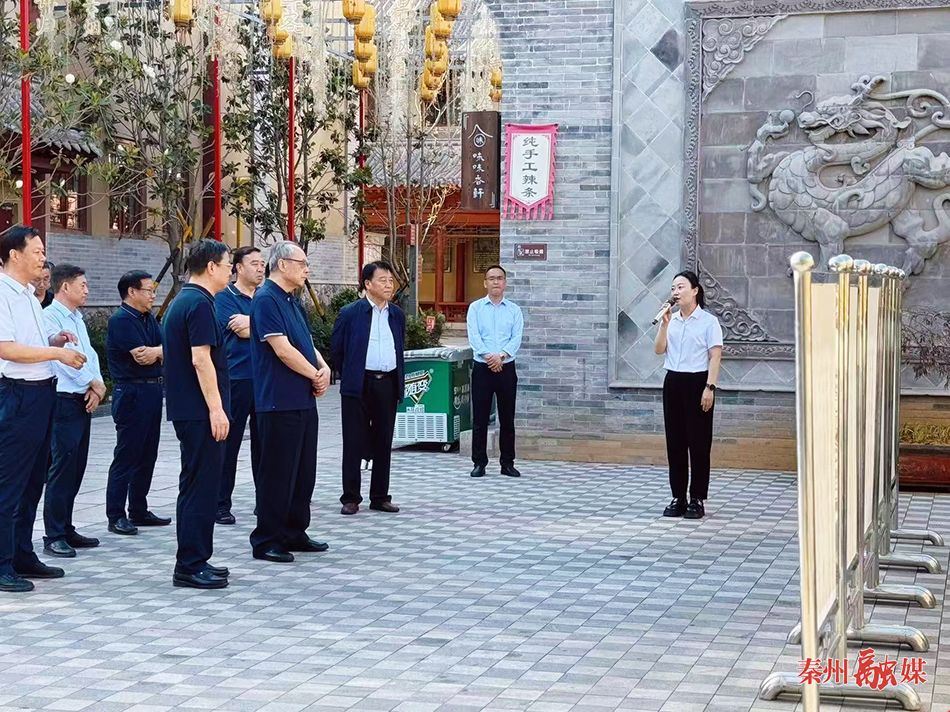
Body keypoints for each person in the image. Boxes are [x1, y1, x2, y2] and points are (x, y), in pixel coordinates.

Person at [0, 225, 86, 593]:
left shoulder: (30, 297)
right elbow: (6, 349)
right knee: (9, 483)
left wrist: (54, 341)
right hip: (17, 395)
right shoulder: (2, 293)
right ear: (14, 254)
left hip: (41, 394)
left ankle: (22, 554)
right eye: (36, 251)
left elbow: (28, 343)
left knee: (33, 481)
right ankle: (2, 563)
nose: (42, 257)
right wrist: (56, 353)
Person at [249, 241, 331, 561]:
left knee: (302, 472)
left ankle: (295, 532)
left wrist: (323, 368)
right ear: (282, 264)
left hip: (303, 399)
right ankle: (267, 539)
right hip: (278, 400)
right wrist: (314, 375)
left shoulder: (292, 300)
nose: (306, 269)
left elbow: (306, 341)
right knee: (277, 473)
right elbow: (282, 350)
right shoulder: (266, 299)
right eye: (302, 263)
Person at [163, 239, 233, 589]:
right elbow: (200, 359)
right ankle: (190, 564)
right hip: (199, 411)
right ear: (211, 267)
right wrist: (216, 409)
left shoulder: (187, 300)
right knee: (200, 486)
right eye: (228, 265)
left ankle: (196, 558)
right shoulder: (199, 303)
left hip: (190, 409)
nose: (230, 272)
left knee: (197, 484)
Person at [42, 264, 107, 558]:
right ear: (65, 287)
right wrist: (91, 382)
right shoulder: (50, 317)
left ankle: (67, 527)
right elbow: (61, 360)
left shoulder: (77, 317)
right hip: (63, 400)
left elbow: (89, 356)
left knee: (77, 466)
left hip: (82, 398)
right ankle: (54, 534)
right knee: (62, 467)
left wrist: (97, 385)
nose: (87, 290)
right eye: (82, 285)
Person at [332, 261, 405, 515]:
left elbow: (399, 347)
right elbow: (337, 351)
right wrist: (350, 375)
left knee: (384, 440)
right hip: (358, 384)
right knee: (353, 440)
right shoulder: (350, 313)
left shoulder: (397, 315)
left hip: (388, 383)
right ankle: (351, 497)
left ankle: (380, 496)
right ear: (367, 284)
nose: (388, 285)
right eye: (382, 280)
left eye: (390, 281)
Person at [654, 270, 723, 520]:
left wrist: (710, 387)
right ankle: (678, 497)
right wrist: (664, 324)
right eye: (673, 288)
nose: (676, 292)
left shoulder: (708, 322)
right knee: (675, 442)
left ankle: (697, 498)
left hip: (698, 382)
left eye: (681, 287)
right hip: (673, 381)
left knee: (699, 443)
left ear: (695, 291)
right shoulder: (671, 320)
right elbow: (659, 349)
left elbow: (715, 356)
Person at [105, 270, 170, 535]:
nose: (153, 295)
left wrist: (159, 352)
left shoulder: (148, 318)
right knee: (128, 454)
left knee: (148, 453)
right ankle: (116, 514)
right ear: (131, 292)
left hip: (153, 390)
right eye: (148, 291)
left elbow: (167, 348)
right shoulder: (121, 320)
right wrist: (159, 352)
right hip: (132, 392)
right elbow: (141, 356)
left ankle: (138, 509)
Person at [214, 246, 265, 525]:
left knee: (265, 444)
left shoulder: (265, 297)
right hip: (235, 379)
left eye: (262, 263)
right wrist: (262, 327)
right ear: (237, 268)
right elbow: (240, 330)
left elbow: (258, 330)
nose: (260, 268)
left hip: (265, 379)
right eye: (254, 263)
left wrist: (252, 324)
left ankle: (265, 502)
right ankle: (220, 504)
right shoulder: (224, 297)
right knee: (228, 444)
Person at [466, 265, 524, 479]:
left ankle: (507, 463)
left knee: (507, 418)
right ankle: (479, 463)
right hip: (482, 367)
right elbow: (474, 337)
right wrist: (489, 357)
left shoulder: (514, 310)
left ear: (505, 283)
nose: (496, 282)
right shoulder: (475, 308)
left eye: (500, 278)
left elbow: (516, 338)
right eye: (491, 278)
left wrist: (501, 356)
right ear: (485, 283)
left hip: (506, 367)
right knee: (480, 418)